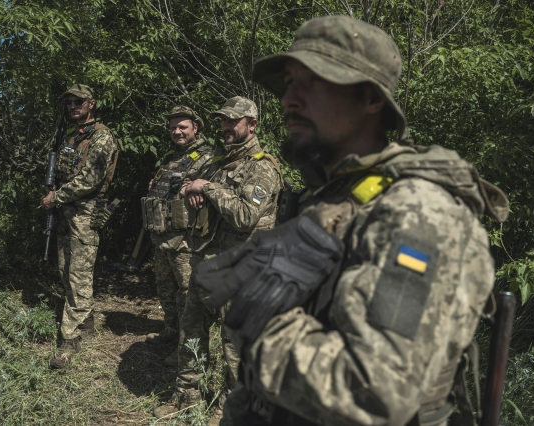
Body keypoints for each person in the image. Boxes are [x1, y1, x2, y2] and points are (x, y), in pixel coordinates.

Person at [193, 16, 510, 426]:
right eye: (289, 82)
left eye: (313, 81)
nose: (289, 99)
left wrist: (267, 321)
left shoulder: (417, 212)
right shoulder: (332, 195)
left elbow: (376, 390)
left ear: (372, 100)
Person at [152, 97, 283, 422]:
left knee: (234, 347)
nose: (225, 127)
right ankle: (186, 395)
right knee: (190, 331)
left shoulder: (262, 167)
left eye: (232, 121)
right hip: (207, 261)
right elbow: (190, 184)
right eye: (222, 121)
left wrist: (207, 188)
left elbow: (244, 215)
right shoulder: (220, 162)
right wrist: (191, 190)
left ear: (251, 125)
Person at [40, 84, 120, 369]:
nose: (73, 106)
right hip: (65, 210)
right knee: (65, 268)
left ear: (91, 104)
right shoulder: (71, 135)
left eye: (78, 102)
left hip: (85, 212)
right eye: (69, 102)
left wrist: (55, 197)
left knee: (78, 274)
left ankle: (68, 339)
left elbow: (91, 179)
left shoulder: (101, 137)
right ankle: (85, 322)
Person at [141, 106, 221, 370]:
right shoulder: (170, 156)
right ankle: (171, 331)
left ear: (195, 128)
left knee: (188, 295)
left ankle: (188, 350)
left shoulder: (208, 157)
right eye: (174, 127)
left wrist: (196, 188)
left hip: (187, 240)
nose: (177, 131)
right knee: (166, 290)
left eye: (182, 127)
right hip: (162, 235)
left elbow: (214, 187)